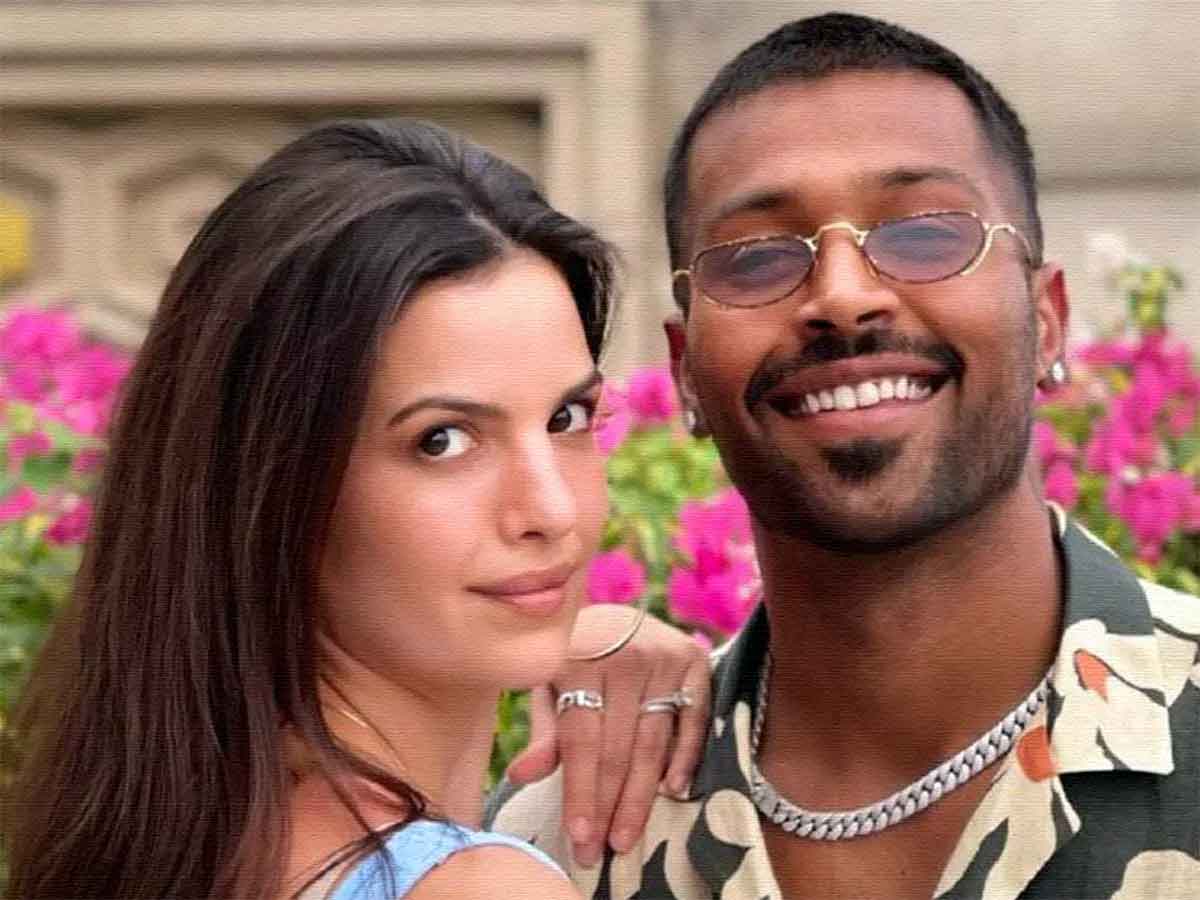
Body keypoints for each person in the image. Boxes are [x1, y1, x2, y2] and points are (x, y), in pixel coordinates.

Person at [489, 13, 1200, 899]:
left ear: (1047, 319)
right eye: (756, 258)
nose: (843, 295)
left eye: (926, 234)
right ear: (686, 373)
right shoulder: (561, 849)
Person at [2, 118, 710, 900]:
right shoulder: (477, 890)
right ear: (276, 483)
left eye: (567, 419)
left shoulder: (180, 838)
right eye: (442, 440)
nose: (551, 508)